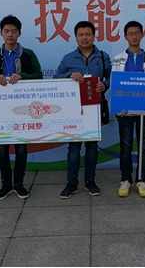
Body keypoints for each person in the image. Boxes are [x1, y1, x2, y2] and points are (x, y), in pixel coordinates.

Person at [0, 15, 43, 201]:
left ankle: (19, 184)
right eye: (6, 31)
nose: (10, 34)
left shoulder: (28, 54)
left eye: (13, 31)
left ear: (19, 33)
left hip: (22, 109)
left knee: (21, 149)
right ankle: (6, 184)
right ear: (1, 33)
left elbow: (39, 75)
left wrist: (23, 76)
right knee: (2, 150)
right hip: (0, 109)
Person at [54, 20, 111, 199]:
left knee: (92, 147)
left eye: (88, 34)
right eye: (81, 35)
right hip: (73, 110)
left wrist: (105, 85)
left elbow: (111, 77)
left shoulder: (102, 56)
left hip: (94, 108)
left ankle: (90, 181)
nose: (84, 38)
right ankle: (71, 183)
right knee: (73, 148)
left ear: (94, 36)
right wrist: (69, 75)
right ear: (76, 37)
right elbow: (56, 78)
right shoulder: (68, 58)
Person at [112, 20, 145, 198]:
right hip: (125, 111)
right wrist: (117, 107)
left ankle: (141, 180)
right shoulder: (118, 59)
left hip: (144, 111)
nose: (134, 36)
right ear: (125, 37)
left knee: (143, 148)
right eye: (130, 34)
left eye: (137, 33)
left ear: (142, 34)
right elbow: (115, 84)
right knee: (125, 148)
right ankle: (125, 180)